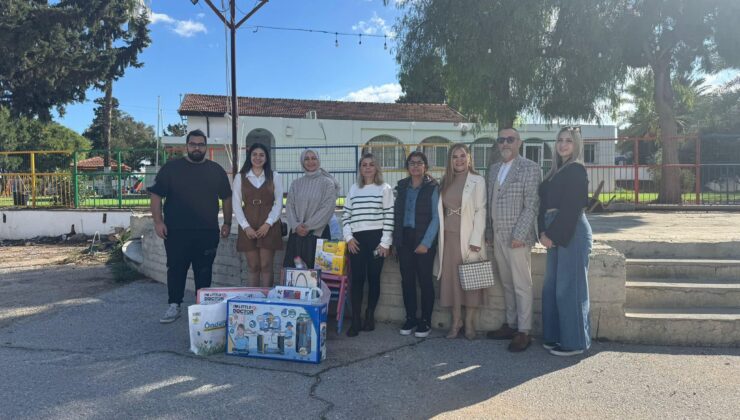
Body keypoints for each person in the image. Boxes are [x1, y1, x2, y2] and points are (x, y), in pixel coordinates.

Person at [149, 129, 232, 324]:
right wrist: (158, 222)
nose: (197, 147)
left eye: (201, 144)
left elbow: (226, 197)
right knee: (176, 269)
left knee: (204, 271)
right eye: (193, 144)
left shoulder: (216, 170)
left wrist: (227, 222)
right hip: (176, 232)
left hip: (207, 231)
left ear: (206, 146)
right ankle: (174, 305)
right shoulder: (171, 169)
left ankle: (202, 308)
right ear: (187, 146)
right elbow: (156, 196)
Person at [485, 127, 541, 352]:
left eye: (510, 139)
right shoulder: (494, 169)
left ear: (519, 142)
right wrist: (489, 233)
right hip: (498, 236)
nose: (505, 143)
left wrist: (519, 235)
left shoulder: (530, 168)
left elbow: (532, 205)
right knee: (507, 283)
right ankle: (511, 324)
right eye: (501, 140)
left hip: (517, 237)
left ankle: (524, 331)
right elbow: (491, 203)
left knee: (521, 284)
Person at [539, 127, 593, 357]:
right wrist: (542, 232)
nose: (563, 144)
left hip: (571, 231)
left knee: (569, 288)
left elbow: (572, 207)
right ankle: (554, 336)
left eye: (568, 141)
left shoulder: (576, 170)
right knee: (551, 288)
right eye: (560, 140)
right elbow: (543, 206)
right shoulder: (555, 171)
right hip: (554, 230)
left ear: (577, 144)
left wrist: (552, 234)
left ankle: (575, 342)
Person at [437, 144, 488, 340]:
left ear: (469, 158)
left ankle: (469, 324)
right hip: (448, 238)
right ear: (450, 161)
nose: (459, 160)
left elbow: (481, 210)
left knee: (471, 280)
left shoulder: (477, 180)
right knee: (453, 282)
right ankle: (456, 321)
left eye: (462, 156)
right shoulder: (445, 182)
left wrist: (476, 239)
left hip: (468, 237)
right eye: (454, 157)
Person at [343, 153, 394, 337]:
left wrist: (385, 243)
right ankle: (355, 319)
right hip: (356, 241)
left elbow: (389, 216)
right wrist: (348, 237)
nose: (367, 168)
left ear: (376, 168)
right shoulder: (354, 189)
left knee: (373, 278)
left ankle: (369, 315)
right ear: (360, 168)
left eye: (371, 164)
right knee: (357, 280)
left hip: (376, 240)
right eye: (364, 164)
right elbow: (346, 216)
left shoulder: (384, 188)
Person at [393, 151, 440, 338]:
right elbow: (396, 215)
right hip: (405, 238)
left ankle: (425, 321)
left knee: (425, 281)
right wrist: (396, 240)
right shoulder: (402, 187)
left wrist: (426, 243)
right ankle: (411, 317)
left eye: (419, 163)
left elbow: (436, 218)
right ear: (407, 167)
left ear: (425, 167)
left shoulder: (433, 187)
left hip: (424, 239)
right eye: (412, 163)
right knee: (407, 281)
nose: (415, 166)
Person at [232, 143, 283, 287]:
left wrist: (268, 223)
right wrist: (245, 227)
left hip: (269, 225)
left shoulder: (275, 176)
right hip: (248, 224)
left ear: (266, 158)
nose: (258, 158)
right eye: (254, 154)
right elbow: (236, 204)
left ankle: (266, 300)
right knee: (253, 266)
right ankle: (252, 300)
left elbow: (279, 203)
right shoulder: (240, 177)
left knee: (266, 265)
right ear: (249, 157)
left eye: (261, 155)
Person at [283, 149, 339, 269]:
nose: (310, 161)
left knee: (317, 274)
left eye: (313, 158)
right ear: (302, 162)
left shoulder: (327, 183)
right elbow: (289, 206)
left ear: (318, 160)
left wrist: (308, 226)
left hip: (318, 236)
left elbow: (327, 208)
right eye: (306, 159)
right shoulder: (296, 183)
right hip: (297, 237)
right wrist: (296, 226)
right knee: (296, 272)